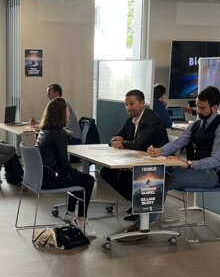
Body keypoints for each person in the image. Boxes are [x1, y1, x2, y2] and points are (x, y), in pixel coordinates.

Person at [148, 85, 220, 194]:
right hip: (193, 169)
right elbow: (179, 142)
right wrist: (160, 151)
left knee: (164, 181)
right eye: (197, 106)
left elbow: (216, 160)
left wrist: (188, 164)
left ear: (215, 108)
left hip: (209, 174)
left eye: (202, 108)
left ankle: (147, 211)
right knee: (154, 175)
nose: (197, 111)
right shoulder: (197, 124)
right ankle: (143, 210)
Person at [100, 89, 169, 217]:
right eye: (126, 104)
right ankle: (137, 204)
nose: (128, 107)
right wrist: (119, 140)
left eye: (131, 104)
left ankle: (142, 209)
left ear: (142, 103)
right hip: (139, 160)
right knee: (106, 172)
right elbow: (115, 137)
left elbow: (138, 144)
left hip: (156, 164)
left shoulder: (151, 119)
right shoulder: (131, 120)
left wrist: (123, 142)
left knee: (123, 177)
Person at [36, 97, 96, 237]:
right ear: (61, 113)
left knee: (77, 176)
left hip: (39, 178)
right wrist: (72, 172)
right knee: (88, 180)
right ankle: (81, 221)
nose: (69, 112)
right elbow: (63, 164)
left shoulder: (44, 131)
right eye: (67, 109)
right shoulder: (59, 133)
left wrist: (72, 172)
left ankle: (69, 213)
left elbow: (56, 162)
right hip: (47, 181)